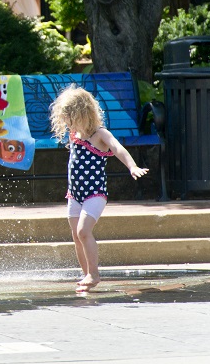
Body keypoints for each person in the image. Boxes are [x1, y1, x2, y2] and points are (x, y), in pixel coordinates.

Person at [49, 86, 149, 292]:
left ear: (82, 114)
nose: (67, 121)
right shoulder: (74, 134)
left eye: (70, 116)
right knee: (76, 236)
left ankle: (94, 273)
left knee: (84, 231)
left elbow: (118, 148)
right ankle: (86, 274)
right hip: (74, 193)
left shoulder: (100, 134)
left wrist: (132, 166)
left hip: (95, 193)